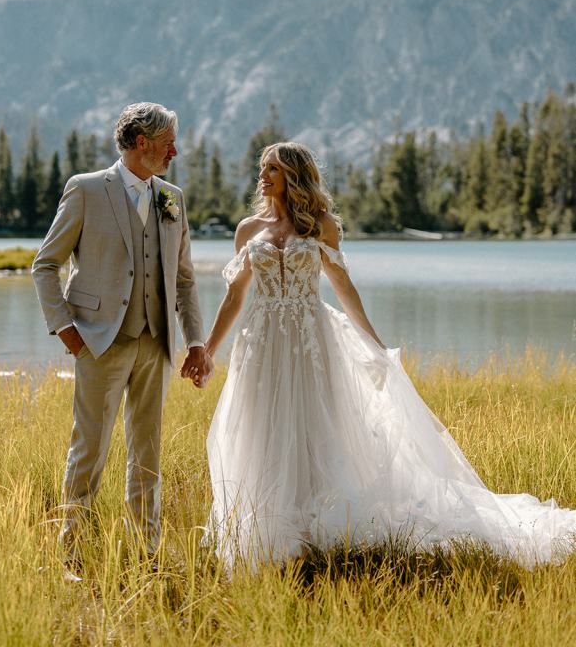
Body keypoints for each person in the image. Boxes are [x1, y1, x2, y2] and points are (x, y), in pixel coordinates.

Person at [200, 141, 576, 569]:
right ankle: (271, 524)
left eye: (273, 168)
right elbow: (234, 295)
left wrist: (375, 346)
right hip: (263, 344)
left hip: (310, 341)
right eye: (262, 168)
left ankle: (315, 525)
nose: (263, 175)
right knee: (263, 427)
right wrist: (208, 351)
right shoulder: (248, 230)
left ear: (295, 175)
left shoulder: (321, 224)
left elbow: (344, 287)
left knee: (314, 427)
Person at [32, 102, 212, 567]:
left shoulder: (172, 196)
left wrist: (195, 342)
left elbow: (185, 281)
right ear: (140, 143)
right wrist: (66, 328)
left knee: (147, 452)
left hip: (157, 344)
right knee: (89, 448)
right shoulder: (87, 190)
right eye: (167, 142)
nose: (175, 150)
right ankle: (71, 552)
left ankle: (145, 551)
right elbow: (45, 265)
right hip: (97, 341)